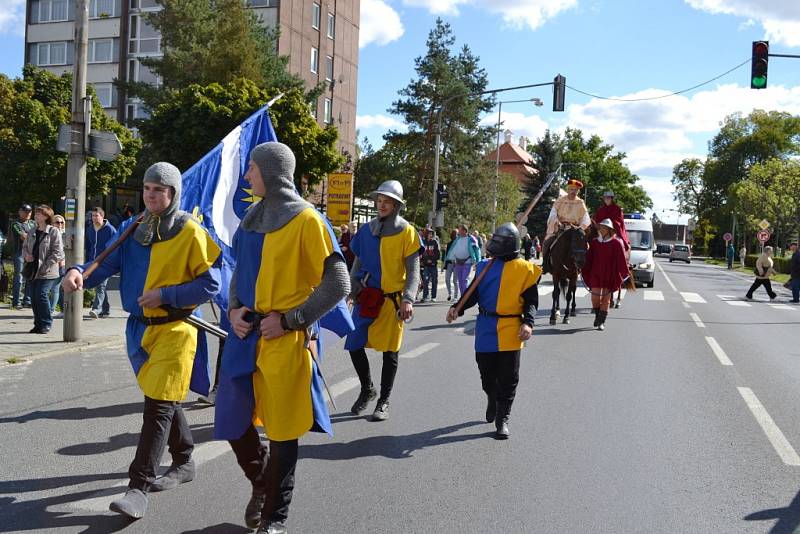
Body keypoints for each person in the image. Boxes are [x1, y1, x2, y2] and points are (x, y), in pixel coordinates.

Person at [62, 162, 222, 520]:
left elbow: (212, 284)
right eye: (148, 188)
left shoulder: (191, 232)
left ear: (174, 194)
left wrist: (166, 294)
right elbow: (105, 264)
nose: (151, 195)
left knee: (158, 406)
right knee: (164, 398)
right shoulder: (133, 228)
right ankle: (184, 460)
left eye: (159, 190)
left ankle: (138, 487)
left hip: (176, 329)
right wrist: (76, 273)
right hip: (138, 330)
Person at [213, 142, 350, 533]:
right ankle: (263, 481)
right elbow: (240, 270)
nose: (247, 176)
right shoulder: (253, 216)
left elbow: (338, 282)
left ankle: (275, 518)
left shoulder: (307, 220)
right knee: (231, 418)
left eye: (252, 168)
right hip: (245, 333)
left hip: (284, 337)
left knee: (284, 431)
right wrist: (235, 307)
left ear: (271, 172)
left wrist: (292, 320)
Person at [446, 223, 540, 440]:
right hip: (487, 326)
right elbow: (472, 294)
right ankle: (492, 396)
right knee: (487, 374)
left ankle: (503, 417)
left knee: (509, 377)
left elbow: (531, 301)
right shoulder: (483, 267)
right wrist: (456, 309)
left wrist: (529, 322)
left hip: (512, 328)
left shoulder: (525, 269)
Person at [345, 180, 421, 422]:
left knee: (390, 352)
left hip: (392, 302)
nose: (381, 205)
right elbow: (357, 262)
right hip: (367, 298)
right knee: (354, 344)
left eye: (387, 202)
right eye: (379, 201)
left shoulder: (407, 232)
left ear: (397, 205)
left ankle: (383, 400)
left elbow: (413, 271)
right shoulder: (366, 231)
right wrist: (351, 287)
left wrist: (408, 299)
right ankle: (368, 388)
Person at [581, 219, 630, 331]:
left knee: (606, 300)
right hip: (596, 273)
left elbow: (621, 260)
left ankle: (601, 321)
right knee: (595, 298)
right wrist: (582, 267)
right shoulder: (594, 242)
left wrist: (624, 273)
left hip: (610, 274)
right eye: (601, 227)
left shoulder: (616, 243)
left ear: (609, 230)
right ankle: (598, 316)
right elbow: (589, 259)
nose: (602, 229)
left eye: (604, 228)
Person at [22, 205, 64, 334]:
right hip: (33, 270)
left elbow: (57, 252)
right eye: (36, 213)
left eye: (39, 214)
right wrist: (26, 255)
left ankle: (46, 323)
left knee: (41, 295)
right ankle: (38, 324)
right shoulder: (32, 230)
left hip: (48, 271)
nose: (36, 215)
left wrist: (45, 266)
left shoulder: (53, 231)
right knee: (34, 298)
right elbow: (25, 247)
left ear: (46, 216)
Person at [542, 179, 591, 274]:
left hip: (575, 230)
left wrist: (580, 227)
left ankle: (583, 267)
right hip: (561, 228)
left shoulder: (580, 202)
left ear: (578, 191)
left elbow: (586, 218)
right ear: (568, 189)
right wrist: (557, 222)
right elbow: (553, 213)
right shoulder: (560, 201)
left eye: (575, 190)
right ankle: (545, 264)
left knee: (586, 246)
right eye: (571, 189)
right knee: (547, 242)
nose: (573, 192)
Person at [85, 207, 118, 318]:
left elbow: (115, 246)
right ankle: (106, 309)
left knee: (101, 286)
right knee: (100, 285)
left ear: (102, 216)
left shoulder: (110, 230)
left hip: (106, 262)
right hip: (93, 262)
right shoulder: (90, 229)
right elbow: (89, 245)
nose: (94, 218)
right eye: (92, 216)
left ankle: (96, 309)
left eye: (96, 216)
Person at [445, 224, 482, 298]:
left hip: (467, 262)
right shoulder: (457, 239)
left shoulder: (471, 239)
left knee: (464, 280)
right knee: (460, 281)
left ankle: (465, 296)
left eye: (460, 230)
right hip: (458, 262)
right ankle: (463, 296)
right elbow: (453, 249)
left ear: (465, 231)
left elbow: (477, 250)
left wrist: (477, 262)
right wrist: (452, 258)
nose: (458, 231)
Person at [10, 204, 35, 309]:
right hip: (19, 253)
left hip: (31, 253)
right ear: (20, 212)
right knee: (19, 277)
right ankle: (16, 301)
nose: (27, 214)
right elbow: (23, 237)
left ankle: (27, 300)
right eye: (25, 211)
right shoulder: (15, 224)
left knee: (30, 277)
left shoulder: (33, 223)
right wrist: (33, 235)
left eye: (29, 212)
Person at [50, 215, 67, 318]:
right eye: (57, 222)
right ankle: (62, 310)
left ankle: (50, 310)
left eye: (61, 222)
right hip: (53, 264)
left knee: (55, 288)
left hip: (62, 264)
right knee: (59, 288)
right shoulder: (50, 234)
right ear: (52, 223)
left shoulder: (65, 235)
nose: (60, 224)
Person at [420, 227, 440, 302]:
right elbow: (420, 252)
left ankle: (433, 297)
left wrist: (431, 260)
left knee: (434, 281)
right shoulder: (423, 242)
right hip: (426, 265)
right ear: (426, 234)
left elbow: (438, 254)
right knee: (425, 281)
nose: (430, 235)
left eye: (432, 234)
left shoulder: (435, 242)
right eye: (429, 234)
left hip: (433, 265)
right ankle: (425, 296)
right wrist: (423, 260)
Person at [443, 228, 459, 302]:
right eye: (453, 234)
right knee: (447, 279)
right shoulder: (449, 244)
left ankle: (456, 296)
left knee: (455, 281)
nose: (455, 235)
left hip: (456, 264)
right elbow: (446, 255)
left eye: (456, 234)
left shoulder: (459, 243)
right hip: (449, 263)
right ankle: (450, 293)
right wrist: (443, 265)